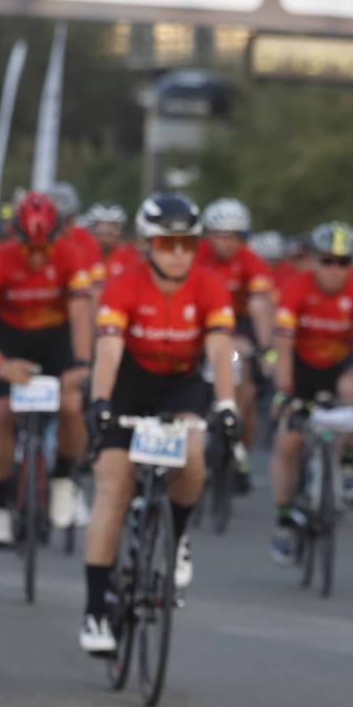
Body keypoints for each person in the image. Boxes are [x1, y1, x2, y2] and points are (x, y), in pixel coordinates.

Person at [80, 195, 236, 652]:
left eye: (188, 244)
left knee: (193, 456)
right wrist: (102, 401)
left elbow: (220, 348)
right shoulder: (123, 285)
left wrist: (227, 404)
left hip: (180, 385)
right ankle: (94, 610)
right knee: (114, 486)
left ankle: (179, 534)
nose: (178, 254)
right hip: (129, 383)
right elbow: (108, 350)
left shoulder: (209, 286)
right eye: (168, 243)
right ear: (148, 244)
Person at [0, 191, 94, 546]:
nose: (37, 257)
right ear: (15, 238)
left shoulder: (71, 255)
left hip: (55, 341)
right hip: (9, 340)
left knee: (71, 406)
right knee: (2, 413)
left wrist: (82, 364)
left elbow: (82, 317)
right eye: (28, 248)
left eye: (45, 248)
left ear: (58, 238)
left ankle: (65, 479)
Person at [270, 223, 353, 562]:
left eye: (343, 262)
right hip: (301, 369)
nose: (334, 270)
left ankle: (346, 464)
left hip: (338, 368)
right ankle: (285, 519)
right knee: (289, 441)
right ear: (314, 262)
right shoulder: (296, 288)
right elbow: (284, 347)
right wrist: (285, 392)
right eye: (327, 261)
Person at [196, 198, 275, 492]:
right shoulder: (197, 255)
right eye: (220, 235)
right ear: (208, 235)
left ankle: (239, 445)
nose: (226, 243)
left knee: (246, 384)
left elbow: (259, 306)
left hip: (238, 325)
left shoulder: (251, 261)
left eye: (233, 236)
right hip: (201, 320)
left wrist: (266, 347)